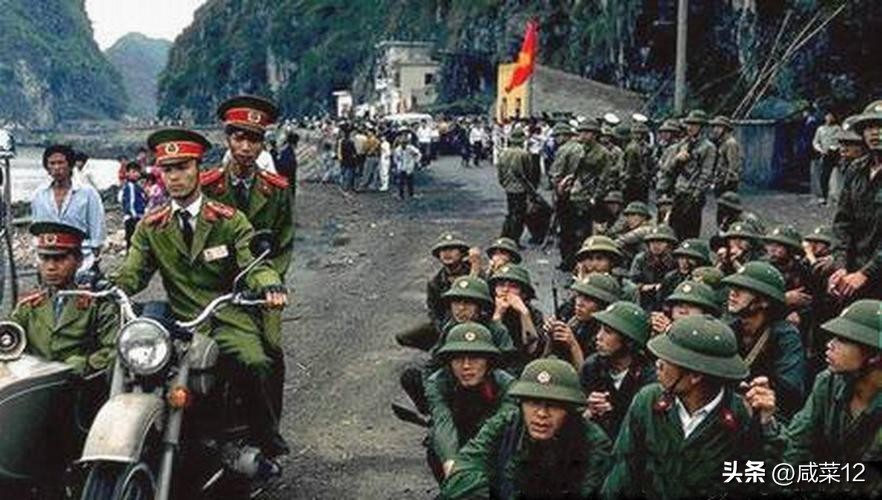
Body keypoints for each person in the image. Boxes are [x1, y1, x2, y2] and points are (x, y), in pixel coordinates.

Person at [110, 128, 289, 459]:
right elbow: (133, 271)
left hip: (226, 316)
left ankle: (264, 436)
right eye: (168, 169)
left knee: (255, 361)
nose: (175, 177)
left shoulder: (229, 221)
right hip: (181, 321)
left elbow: (253, 262)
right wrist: (112, 286)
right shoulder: (151, 226)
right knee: (128, 363)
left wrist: (269, 284)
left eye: (183, 167)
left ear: (199, 168)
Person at [603, 315, 778, 499]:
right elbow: (623, 470)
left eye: (668, 359)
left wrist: (766, 427)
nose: (658, 364)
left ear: (695, 375)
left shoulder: (740, 415)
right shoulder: (648, 400)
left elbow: (766, 480)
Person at [441, 358, 613, 499]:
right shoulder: (506, 424)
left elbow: (591, 489)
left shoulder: (592, 442)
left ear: (569, 410)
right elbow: (465, 469)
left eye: (554, 405)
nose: (542, 413)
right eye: (533, 402)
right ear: (521, 404)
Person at [769, 299, 882, 494]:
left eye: (843, 339)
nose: (830, 345)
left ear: (875, 356)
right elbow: (798, 443)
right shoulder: (828, 381)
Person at [12, 221, 118, 376]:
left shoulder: (96, 303)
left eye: (60, 258)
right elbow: (8, 336)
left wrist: (85, 364)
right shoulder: (28, 306)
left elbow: (115, 349)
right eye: (44, 258)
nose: (51, 267)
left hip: (82, 384)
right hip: (36, 383)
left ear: (79, 260)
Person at [425, 322, 516, 482]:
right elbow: (442, 421)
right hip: (459, 435)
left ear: (488, 361)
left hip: (491, 441)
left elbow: (496, 426)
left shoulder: (506, 385)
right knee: (435, 442)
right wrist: (451, 462)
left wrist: (468, 461)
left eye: (474, 358)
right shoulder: (438, 383)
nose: (466, 366)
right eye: (458, 359)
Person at [722, 261, 807, 417]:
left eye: (743, 289)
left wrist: (760, 387)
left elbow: (792, 391)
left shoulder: (785, 336)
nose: (733, 293)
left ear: (764, 301)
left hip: (768, 416)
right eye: (733, 287)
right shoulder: (729, 330)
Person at [830, 99, 882, 300]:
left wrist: (866, 273)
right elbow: (842, 221)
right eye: (869, 127)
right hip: (853, 272)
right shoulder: (856, 169)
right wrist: (840, 266)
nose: (875, 133)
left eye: (880, 127)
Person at [580, 301, 654, 438]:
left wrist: (615, 414)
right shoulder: (592, 367)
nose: (598, 337)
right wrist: (589, 410)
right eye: (600, 329)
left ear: (629, 341)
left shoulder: (648, 378)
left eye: (608, 332)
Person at [31, 144, 106, 276]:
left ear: (70, 165)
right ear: (47, 167)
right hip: (50, 259)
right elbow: (37, 229)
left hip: (81, 260)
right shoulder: (39, 194)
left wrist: (94, 256)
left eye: (60, 163)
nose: (56, 167)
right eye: (52, 163)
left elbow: (97, 228)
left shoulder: (88, 193)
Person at [552, 120, 612, 271]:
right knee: (566, 231)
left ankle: (582, 265)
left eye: (587, 132)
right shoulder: (578, 150)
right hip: (570, 195)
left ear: (595, 135)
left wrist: (595, 197)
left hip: (587, 198)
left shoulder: (602, 153)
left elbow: (604, 178)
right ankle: (567, 261)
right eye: (581, 132)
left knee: (583, 233)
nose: (583, 135)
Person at [657, 109, 716, 240]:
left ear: (701, 127)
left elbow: (706, 174)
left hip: (693, 194)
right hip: (678, 192)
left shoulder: (708, 147)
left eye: (694, 125)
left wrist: (696, 195)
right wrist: (677, 159)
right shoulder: (682, 144)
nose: (690, 127)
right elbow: (668, 169)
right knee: (673, 230)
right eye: (689, 124)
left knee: (690, 232)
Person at [545, 272, 622, 368]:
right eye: (578, 296)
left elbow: (589, 374)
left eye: (588, 299)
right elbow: (547, 358)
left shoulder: (606, 334)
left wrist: (573, 345)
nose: (579, 303)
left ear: (603, 306)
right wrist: (552, 335)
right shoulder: (569, 314)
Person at [488, 264, 544, 374]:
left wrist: (524, 314)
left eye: (513, 286)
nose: (505, 290)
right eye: (501, 285)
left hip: (521, 365)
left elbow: (532, 349)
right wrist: (498, 315)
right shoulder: (487, 310)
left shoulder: (533, 313)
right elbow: (489, 345)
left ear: (523, 294)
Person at [630, 224, 678, 311]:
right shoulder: (641, 259)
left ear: (669, 244)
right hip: (644, 299)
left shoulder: (675, 261)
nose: (655, 245)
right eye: (652, 242)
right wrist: (647, 287)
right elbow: (632, 283)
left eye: (660, 242)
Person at [496, 128, 531, 244]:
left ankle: (505, 235)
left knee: (511, 213)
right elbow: (528, 172)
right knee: (519, 215)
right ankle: (515, 239)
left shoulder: (503, 153)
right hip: (521, 188)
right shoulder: (524, 154)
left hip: (508, 187)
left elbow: (500, 172)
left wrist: (504, 183)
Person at [650, 279, 721, 336]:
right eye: (679, 305)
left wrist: (671, 332)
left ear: (706, 312)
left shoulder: (713, 335)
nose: (683, 311)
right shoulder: (663, 329)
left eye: (691, 306)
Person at [657, 238, 712, 306]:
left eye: (690, 258)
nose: (684, 261)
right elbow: (660, 302)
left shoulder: (707, 279)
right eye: (681, 257)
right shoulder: (671, 278)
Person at [811, 112, 842, 205]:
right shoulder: (820, 129)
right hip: (824, 154)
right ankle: (823, 196)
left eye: (831, 116)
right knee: (824, 175)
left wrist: (833, 148)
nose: (829, 118)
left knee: (838, 174)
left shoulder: (837, 128)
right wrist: (820, 149)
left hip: (835, 154)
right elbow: (815, 141)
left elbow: (839, 141)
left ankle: (837, 196)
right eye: (828, 116)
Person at [709, 115, 742, 196]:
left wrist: (726, 182)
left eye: (719, 127)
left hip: (727, 182)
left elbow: (733, 165)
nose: (715, 130)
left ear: (725, 129)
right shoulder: (722, 143)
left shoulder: (730, 143)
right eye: (715, 127)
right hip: (720, 180)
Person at [120, 162, 147, 252]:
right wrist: (135, 215)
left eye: (137, 172)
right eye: (133, 172)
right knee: (132, 241)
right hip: (133, 218)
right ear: (127, 173)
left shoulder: (137, 186)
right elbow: (131, 202)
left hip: (137, 217)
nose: (136, 174)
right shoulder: (130, 186)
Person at [622, 122, 652, 203]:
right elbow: (628, 166)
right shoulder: (631, 148)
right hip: (633, 180)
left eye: (641, 134)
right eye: (636, 133)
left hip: (643, 180)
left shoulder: (647, 147)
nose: (638, 136)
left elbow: (649, 162)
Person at [394, 131, 422, 199]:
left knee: (410, 182)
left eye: (405, 143)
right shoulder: (397, 149)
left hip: (409, 166)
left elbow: (418, 154)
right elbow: (395, 158)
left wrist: (416, 161)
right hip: (401, 167)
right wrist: (397, 164)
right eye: (402, 143)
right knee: (401, 182)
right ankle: (401, 195)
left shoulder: (411, 148)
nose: (403, 145)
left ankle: (411, 194)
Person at [338, 124, 358, 191]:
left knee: (343, 172)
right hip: (350, 160)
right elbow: (354, 152)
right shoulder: (351, 142)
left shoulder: (342, 142)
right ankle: (347, 186)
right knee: (349, 173)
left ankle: (343, 185)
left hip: (344, 158)